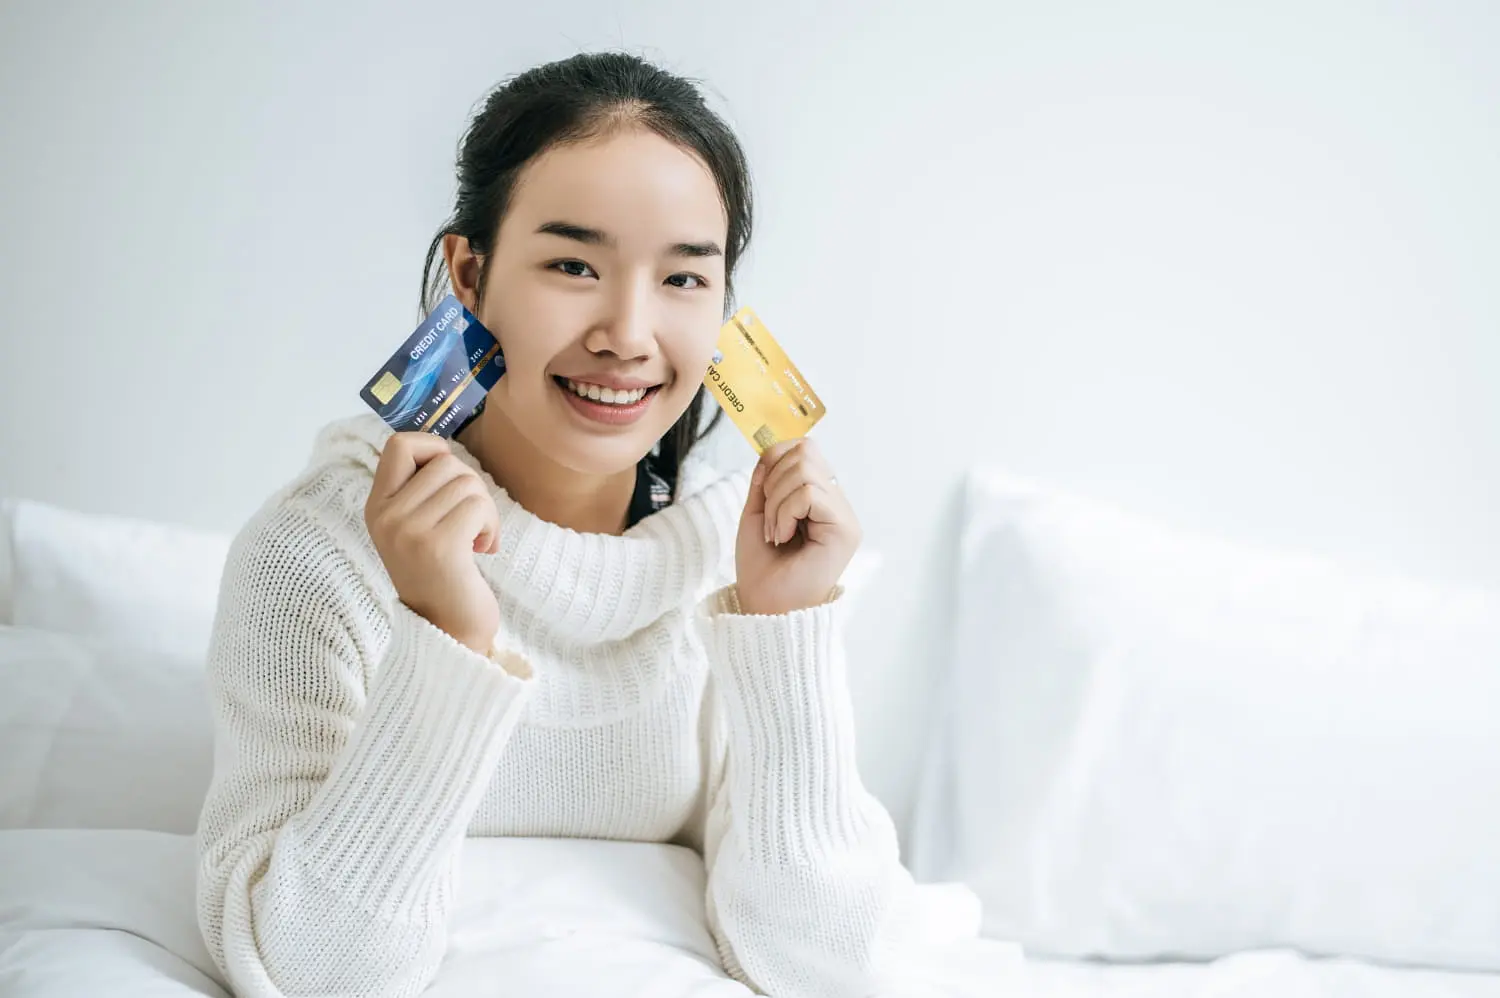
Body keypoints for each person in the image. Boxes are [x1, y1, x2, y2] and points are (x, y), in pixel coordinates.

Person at [195, 51, 916, 998]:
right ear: (469, 272)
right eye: (573, 264)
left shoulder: (740, 558)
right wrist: (448, 636)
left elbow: (824, 969)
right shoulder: (313, 557)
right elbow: (315, 975)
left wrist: (782, 628)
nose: (627, 332)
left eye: (684, 280)